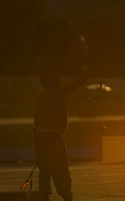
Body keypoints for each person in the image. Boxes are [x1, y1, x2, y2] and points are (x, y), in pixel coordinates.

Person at [33, 73, 88, 201]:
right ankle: (66, 195)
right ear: (52, 82)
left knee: (44, 170)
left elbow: (36, 121)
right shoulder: (58, 94)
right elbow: (74, 86)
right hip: (52, 138)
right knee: (60, 170)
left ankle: (44, 195)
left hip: (40, 139)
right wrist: (84, 76)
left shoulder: (40, 98)